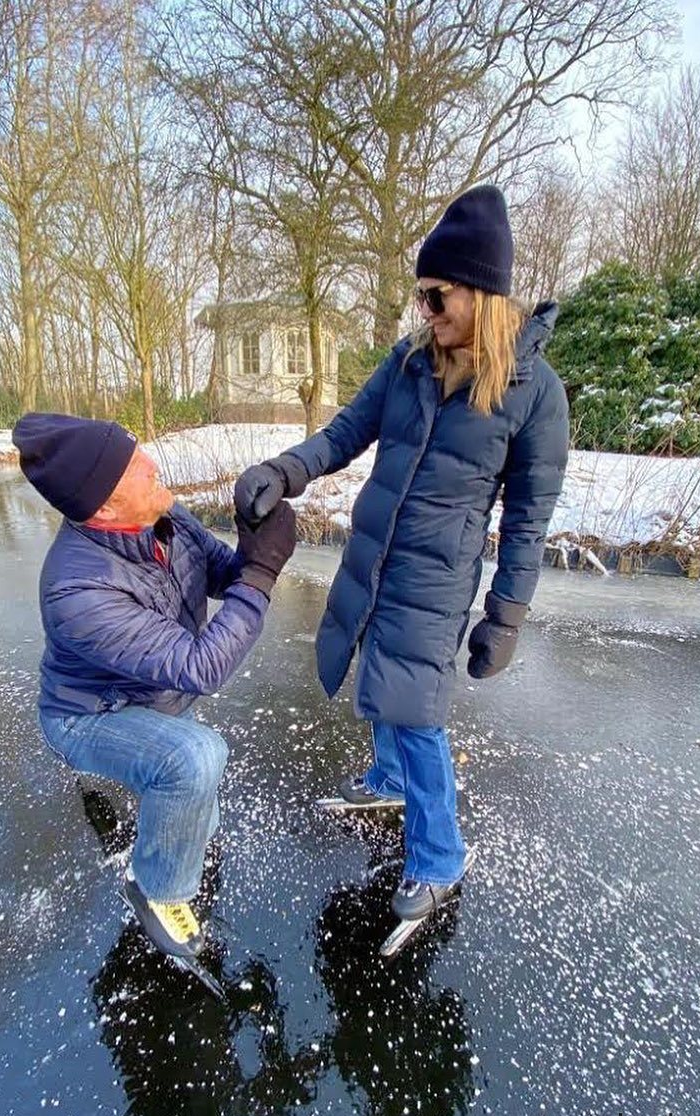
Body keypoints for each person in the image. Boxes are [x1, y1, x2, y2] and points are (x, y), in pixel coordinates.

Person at [235, 185, 569, 924]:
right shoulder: (410, 361)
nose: (424, 308)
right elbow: (343, 433)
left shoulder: (533, 391)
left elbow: (527, 520)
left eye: (435, 295)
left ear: (478, 292)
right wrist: (281, 471)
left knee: (416, 713)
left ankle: (439, 857)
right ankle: (385, 775)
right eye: (419, 295)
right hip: (376, 551)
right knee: (375, 675)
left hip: (437, 576)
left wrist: (504, 616)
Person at [13, 412, 296, 962]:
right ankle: (157, 890)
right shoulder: (78, 588)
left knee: (195, 802)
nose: (151, 465)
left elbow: (222, 574)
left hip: (153, 697)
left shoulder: (165, 519)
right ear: (103, 507)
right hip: (90, 714)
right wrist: (262, 575)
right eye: (134, 467)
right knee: (194, 759)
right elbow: (201, 667)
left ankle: (170, 836)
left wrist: (254, 538)